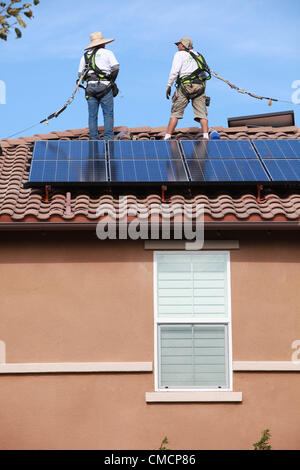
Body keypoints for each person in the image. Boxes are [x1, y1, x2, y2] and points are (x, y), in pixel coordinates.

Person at [164, 37, 212, 140]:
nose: (177, 46)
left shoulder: (179, 54)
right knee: (202, 113)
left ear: (183, 45)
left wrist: (169, 85)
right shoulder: (198, 55)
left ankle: (167, 136)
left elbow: (174, 71)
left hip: (185, 86)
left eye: (179, 44)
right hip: (199, 87)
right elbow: (204, 72)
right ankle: (205, 136)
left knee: (175, 112)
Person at [78, 32, 120, 141]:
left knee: (92, 115)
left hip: (90, 88)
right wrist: (112, 80)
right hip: (105, 87)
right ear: (102, 43)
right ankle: (108, 139)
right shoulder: (107, 53)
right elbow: (115, 67)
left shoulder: (85, 56)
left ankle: (93, 139)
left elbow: (80, 74)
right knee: (108, 114)